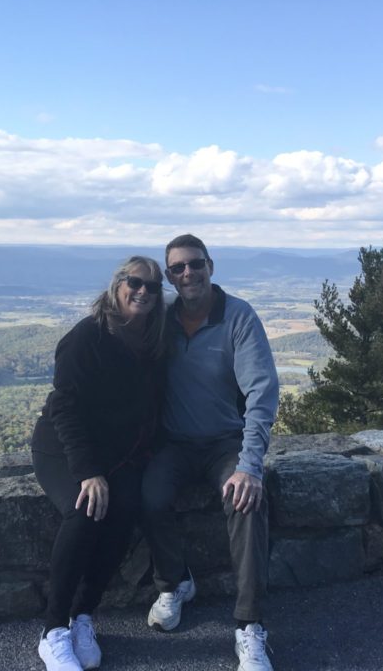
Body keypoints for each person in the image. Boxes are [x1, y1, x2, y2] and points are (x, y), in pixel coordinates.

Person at [141, 234, 279, 671]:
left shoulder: (238, 316)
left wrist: (250, 465)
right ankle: (175, 582)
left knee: (246, 501)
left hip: (225, 442)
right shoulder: (161, 318)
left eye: (195, 264)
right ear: (169, 277)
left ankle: (249, 624)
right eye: (177, 268)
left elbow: (261, 392)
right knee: (148, 495)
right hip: (174, 443)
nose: (188, 273)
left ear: (210, 266)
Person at [31, 255, 167, 671]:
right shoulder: (87, 337)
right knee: (84, 510)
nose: (143, 291)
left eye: (152, 286)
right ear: (117, 284)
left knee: (125, 508)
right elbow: (65, 408)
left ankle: (84, 615)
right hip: (62, 447)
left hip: (117, 454)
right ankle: (53, 630)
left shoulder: (154, 339)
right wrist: (87, 471)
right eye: (135, 282)